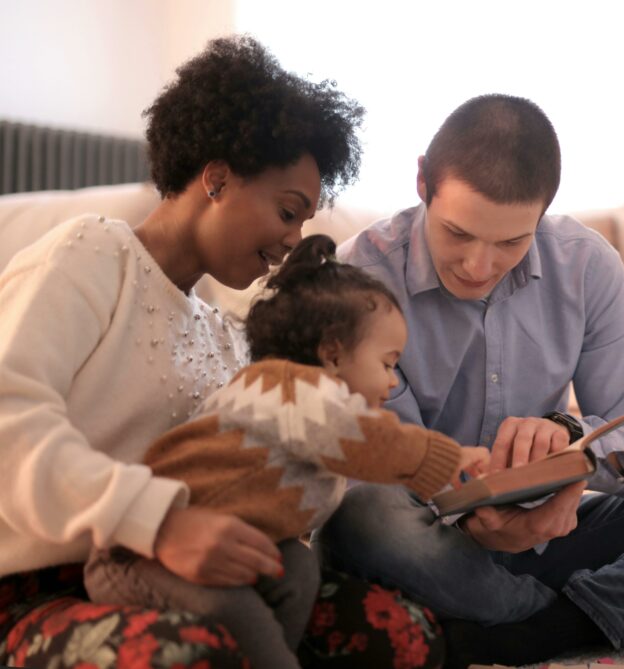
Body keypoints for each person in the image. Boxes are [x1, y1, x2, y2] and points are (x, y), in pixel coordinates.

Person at [314, 93, 624, 668]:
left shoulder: (587, 265)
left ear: (544, 212)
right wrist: (472, 519)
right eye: (458, 233)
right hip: (429, 544)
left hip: (555, 534)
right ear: (422, 182)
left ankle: (555, 625)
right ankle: (602, 613)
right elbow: (374, 466)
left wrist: (574, 454)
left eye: (510, 241)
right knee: (361, 517)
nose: (478, 266)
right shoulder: (357, 279)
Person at [0, 35, 443, 669]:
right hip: (35, 587)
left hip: (189, 581)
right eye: (288, 212)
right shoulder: (92, 255)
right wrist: (163, 523)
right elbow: (7, 422)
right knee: (201, 653)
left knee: (403, 636)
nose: (294, 241)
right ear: (216, 177)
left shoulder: (226, 332)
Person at [83, 234, 490, 669]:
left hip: (222, 551)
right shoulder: (290, 391)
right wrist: (445, 459)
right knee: (236, 612)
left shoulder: (298, 408)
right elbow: (368, 439)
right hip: (134, 558)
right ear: (332, 354)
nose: (393, 381)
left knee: (296, 566)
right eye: (387, 364)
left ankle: (275, 654)